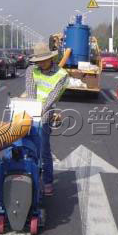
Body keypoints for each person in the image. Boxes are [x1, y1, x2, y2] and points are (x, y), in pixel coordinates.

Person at [26, 43, 69, 196]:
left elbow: (52, 97)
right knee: (24, 146)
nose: (41, 64)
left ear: (51, 59)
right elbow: (31, 92)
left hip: (47, 112)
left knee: (43, 148)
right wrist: (30, 112)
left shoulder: (62, 75)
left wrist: (40, 113)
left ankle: (48, 181)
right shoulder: (31, 70)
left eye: (44, 60)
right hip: (31, 110)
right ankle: (28, 175)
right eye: (38, 61)